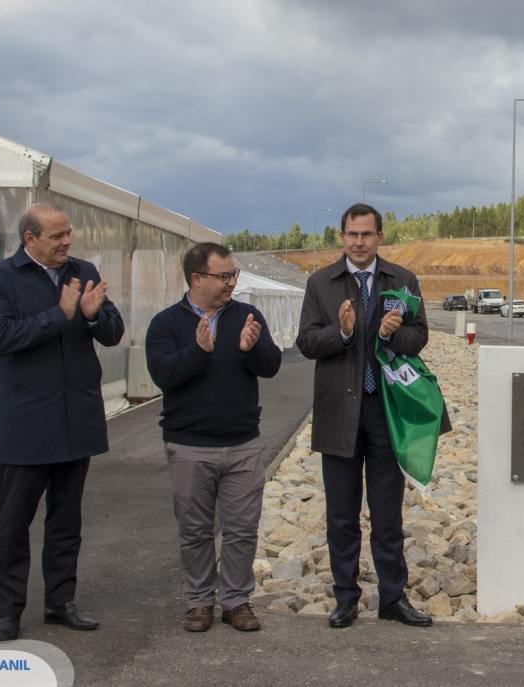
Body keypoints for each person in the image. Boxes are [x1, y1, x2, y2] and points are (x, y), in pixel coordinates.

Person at [296, 203, 447, 629]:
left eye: (366, 234)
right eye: (351, 234)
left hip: (386, 411)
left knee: (387, 512)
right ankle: (345, 597)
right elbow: (306, 342)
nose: (359, 242)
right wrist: (343, 332)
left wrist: (391, 334)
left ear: (381, 236)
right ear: (341, 237)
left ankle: (392, 598)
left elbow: (420, 337)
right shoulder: (321, 284)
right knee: (341, 514)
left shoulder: (403, 280)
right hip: (339, 413)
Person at [0, 203, 125, 642]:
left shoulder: (83, 270)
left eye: (68, 234)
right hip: (25, 424)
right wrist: (58, 315)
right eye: (57, 236)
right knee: (12, 525)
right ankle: (8, 611)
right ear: (30, 239)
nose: (67, 242)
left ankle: (60, 602)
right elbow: (1, 339)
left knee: (66, 522)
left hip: (74, 419)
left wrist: (93, 313)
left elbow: (113, 331)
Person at [146, 242, 281, 632]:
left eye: (233, 275)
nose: (231, 283)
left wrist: (251, 349)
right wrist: (199, 351)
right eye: (223, 276)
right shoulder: (167, 323)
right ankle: (200, 602)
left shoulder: (248, 316)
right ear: (196, 278)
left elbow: (270, 366)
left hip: (243, 443)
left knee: (241, 529)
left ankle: (236, 601)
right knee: (195, 531)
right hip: (189, 445)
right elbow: (162, 374)